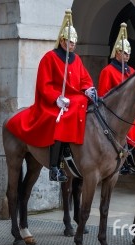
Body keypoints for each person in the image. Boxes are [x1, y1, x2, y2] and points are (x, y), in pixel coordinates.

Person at [5, 9, 95, 182]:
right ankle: (55, 166)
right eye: (69, 42)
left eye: (74, 43)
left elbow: (84, 79)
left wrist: (89, 89)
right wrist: (56, 98)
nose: (72, 45)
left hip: (74, 99)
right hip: (53, 103)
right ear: (62, 41)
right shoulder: (49, 58)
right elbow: (43, 85)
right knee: (60, 120)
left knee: (87, 110)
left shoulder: (76, 59)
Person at [97, 22, 135, 175]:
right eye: (124, 53)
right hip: (115, 110)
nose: (127, 56)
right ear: (117, 53)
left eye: (128, 54)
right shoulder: (108, 71)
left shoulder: (131, 70)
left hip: (130, 108)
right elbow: (104, 94)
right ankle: (125, 157)